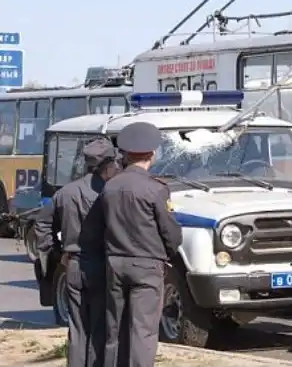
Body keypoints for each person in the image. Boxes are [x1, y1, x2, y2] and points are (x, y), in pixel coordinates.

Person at [101, 121, 183, 367]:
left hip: (115, 263)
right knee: (143, 330)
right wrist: (168, 254)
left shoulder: (110, 186)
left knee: (114, 328)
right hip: (147, 266)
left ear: (125, 154)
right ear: (152, 154)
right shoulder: (156, 189)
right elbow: (170, 232)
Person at [35, 138, 121, 367]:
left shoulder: (66, 192)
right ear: (107, 166)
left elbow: (42, 223)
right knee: (99, 326)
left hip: (72, 264)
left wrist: (55, 251)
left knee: (77, 327)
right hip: (101, 265)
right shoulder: (109, 193)